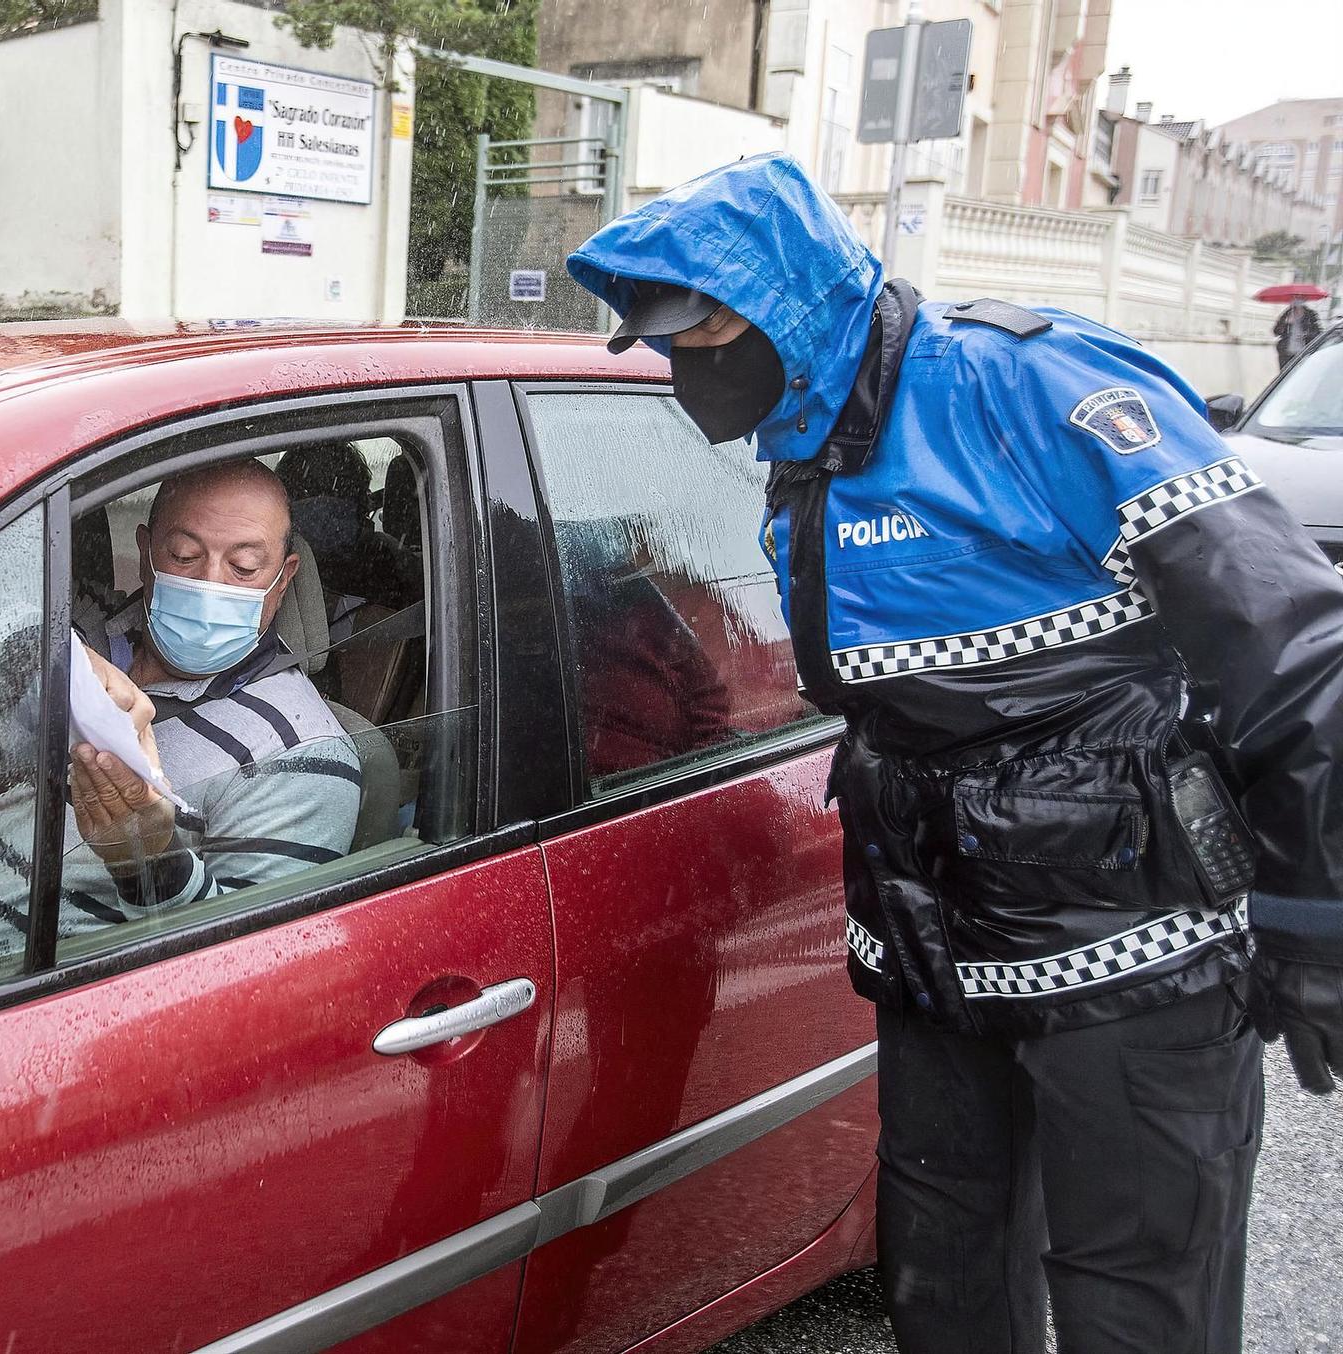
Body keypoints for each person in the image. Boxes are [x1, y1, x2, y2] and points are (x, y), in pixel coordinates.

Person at [569, 152, 1343, 1354]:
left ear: (791, 296)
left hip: (1125, 931)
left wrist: (1312, 924)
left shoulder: (1026, 381)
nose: (686, 364)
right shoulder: (804, 431)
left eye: (703, 324)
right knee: (941, 1284)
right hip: (930, 932)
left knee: (1136, 1298)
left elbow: (1292, 646)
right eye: (664, 340)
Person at [0, 458, 362, 955]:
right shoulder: (96, 623)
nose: (210, 583)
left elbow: (245, 964)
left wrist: (147, 858)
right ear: (145, 552)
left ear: (282, 579)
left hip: (28, 999)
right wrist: (46, 653)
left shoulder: (300, 753)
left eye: (243, 567)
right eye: (182, 556)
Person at [1275, 297, 1321, 370]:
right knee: (1286, 377)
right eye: (1294, 299)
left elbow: (1318, 334)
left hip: (1304, 353)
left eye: (1298, 299)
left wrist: (1306, 335)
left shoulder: (1310, 315)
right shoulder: (1286, 314)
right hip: (1286, 354)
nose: (1296, 302)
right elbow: (1276, 332)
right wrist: (1285, 323)